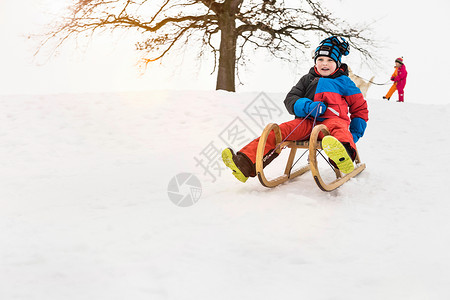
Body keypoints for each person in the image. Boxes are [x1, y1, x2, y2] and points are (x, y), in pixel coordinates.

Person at [222, 36, 369, 183]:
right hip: (306, 123)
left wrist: (354, 135)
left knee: (339, 129)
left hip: (332, 124)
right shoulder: (307, 79)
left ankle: (343, 154)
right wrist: (307, 106)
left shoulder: (344, 82)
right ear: (315, 61)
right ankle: (245, 164)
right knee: (279, 131)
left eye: (330, 60)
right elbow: (290, 99)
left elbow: (360, 108)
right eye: (320, 60)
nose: (324, 64)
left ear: (337, 63)